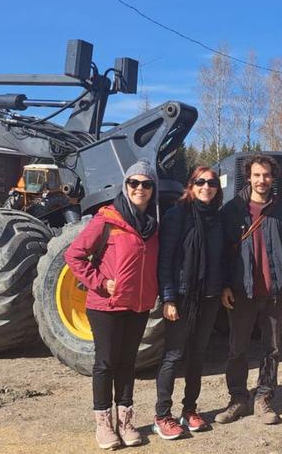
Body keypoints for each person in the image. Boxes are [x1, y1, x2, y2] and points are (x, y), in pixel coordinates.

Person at [64, 159, 160, 450]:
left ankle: (126, 421)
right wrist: (100, 282)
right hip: (105, 305)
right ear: (125, 186)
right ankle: (104, 424)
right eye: (134, 183)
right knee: (105, 363)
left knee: (128, 363)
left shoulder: (154, 226)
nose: (139, 188)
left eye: (146, 184)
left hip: (139, 304)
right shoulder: (106, 219)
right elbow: (74, 255)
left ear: (152, 189)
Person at [215, 154, 282, 426]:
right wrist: (225, 285)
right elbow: (222, 254)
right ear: (248, 177)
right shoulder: (232, 211)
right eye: (256, 175)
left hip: (275, 292)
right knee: (237, 348)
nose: (261, 180)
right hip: (241, 292)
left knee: (272, 349)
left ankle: (264, 398)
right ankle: (238, 399)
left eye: (266, 175)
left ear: (272, 178)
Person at [153, 166, 225, 440]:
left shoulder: (216, 219)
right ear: (191, 185)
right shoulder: (177, 216)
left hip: (209, 297)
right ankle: (162, 415)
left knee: (198, 354)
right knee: (173, 355)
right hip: (182, 297)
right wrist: (168, 297)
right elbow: (166, 261)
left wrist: (222, 289)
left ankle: (190, 410)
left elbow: (221, 260)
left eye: (212, 182)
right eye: (200, 181)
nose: (206, 186)